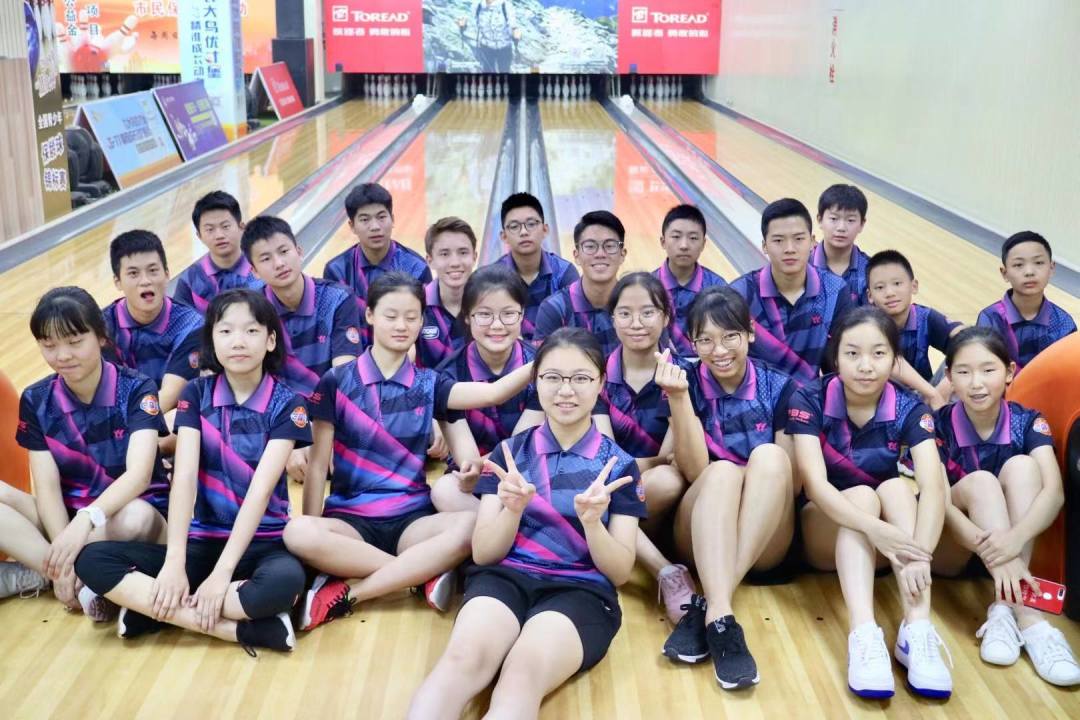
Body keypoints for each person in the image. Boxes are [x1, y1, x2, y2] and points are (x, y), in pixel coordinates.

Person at [407, 328, 646, 720]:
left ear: (601, 383)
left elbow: (619, 572)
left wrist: (593, 525)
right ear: (535, 381)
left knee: (521, 675)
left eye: (580, 378)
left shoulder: (619, 467)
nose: (565, 390)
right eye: (552, 377)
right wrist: (512, 510)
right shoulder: (508, 454)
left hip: (580, 592)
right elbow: (485, 553)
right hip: (505, 579)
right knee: (461, 660)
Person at [282, 273, 537, 630]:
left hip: (413, 521)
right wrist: (315, 539)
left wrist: (545, 359)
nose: (401, 325)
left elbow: (493, 394)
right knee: (298, 532)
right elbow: (317, 465)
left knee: (470, 526)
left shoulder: (430, 383)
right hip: (351, 521)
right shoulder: (336, 382)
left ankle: (356, 588)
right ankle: (418, 573)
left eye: (411, 317)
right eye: (391, 316)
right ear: (369, 315)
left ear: (421, 321)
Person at [74, 289, 310, 654]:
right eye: (225, 331)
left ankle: (153, 610)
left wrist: (221, 574)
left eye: (251, 331)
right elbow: (183, 479)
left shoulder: (288, 403)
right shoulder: (196, 395)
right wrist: (174, 562)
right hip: (201, 541)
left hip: (263, 541)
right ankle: (240, 630)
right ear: (211, 341)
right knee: (92, 560)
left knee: (285, 583)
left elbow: (261, 491)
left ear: (270, 340)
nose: (238, 341)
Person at [788, 306, 951, 699]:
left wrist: (921, 554)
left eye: (878, 354)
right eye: (853, 353)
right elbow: (816, 486)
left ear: (895, 360)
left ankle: (917, 629)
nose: (865, 366)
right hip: (825, 531)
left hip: (889, 548)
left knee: (897, 488)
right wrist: (875, 528)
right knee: (862, 495)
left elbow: (933, 486)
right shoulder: (809, 398)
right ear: (836, 357)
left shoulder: (910, 406)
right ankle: (863, 633)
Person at [656, 287, 797, 689]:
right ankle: (722, 617)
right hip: (702, 530)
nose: (718, 350)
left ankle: (712, 606)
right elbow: (693, 470)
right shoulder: (684, 383)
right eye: (705, 340)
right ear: (692, 343)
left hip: (764, 535)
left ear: (750, 332)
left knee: (770, 457)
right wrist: (678, 399)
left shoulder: (780, 387)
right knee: (721, 473)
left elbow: (792, 483)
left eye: (729, 336)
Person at [0, 287, 168, 618]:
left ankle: (53, 570)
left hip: (133, 515)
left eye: (75, 342)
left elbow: (139, 476)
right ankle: (65, 575)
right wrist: (66, 537)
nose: (62, 355)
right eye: (49, 345)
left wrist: (85, 520)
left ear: (101, 336)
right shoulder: (36, 399)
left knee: (135, 516)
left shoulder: (137, 389)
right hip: (69, 521)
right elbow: (47, 487)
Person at [932, 326, 1080, 686]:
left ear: (1010, 371)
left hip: (1011, 552)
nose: (976, 383)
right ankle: (1030, 616)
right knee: (982, 482)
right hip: (955, 546)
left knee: (1024, 466)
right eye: (964, 372)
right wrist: (998, 550)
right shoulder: (935, 425)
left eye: (988, 370)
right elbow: (937, 503)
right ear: (949, 376)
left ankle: (1004, 609)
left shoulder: (1028, 421)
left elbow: (1054, 494)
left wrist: (1012, 541)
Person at [596, 272, 695, 626]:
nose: (636, 323)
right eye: (625, 313)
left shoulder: (681, 376)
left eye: (648, 312)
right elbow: (601, 456)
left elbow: (670, 458)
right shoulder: (597, 373)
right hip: (603, 489)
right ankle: (665, 571)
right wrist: (645, 463)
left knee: (667, 479)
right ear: (612, 319)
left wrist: (626, 467)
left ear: (666, 317)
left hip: (654, 503)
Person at [242, 216, 362, 482]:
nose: (279, 263)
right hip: (280, 420)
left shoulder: (337, 298)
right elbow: (253, 387)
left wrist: (322, 433)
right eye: (266, 258)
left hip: (331, 415)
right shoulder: (250, 311)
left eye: (284, 251)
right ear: (254, 271)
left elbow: (344, 377)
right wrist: (291, 435)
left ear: (299, 251)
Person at [429, 265, 536, 513]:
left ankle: (499, 528)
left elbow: (523, 446)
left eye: (508, 314)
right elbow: (468, 461)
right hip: (479, 479)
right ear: (467, 316)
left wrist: (481, 465)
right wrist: (472, 471)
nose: (497, 325)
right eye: (484, 314)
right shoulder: (448, 376)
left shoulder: (540, 366)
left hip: (530, 469)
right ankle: (511, 529)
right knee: (444, 490)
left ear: (522, 315)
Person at [730, 198, 855, 384]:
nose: (789, 249)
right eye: (778, 240)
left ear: (812, 242)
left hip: (810, 398)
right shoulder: (739, 294)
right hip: (756, 397)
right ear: (764, 246)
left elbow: (840, 362)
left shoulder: (835, 290)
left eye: (798, 239)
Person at [103, 230, 203, 416]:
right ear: (118, 282)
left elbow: (169, 397)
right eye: (133, 273)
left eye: (153, 271)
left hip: (164, 419)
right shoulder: (102, 328)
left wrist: (136, 429)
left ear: (167, 274)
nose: (145, 281)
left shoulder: (190, 325)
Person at [323, 182, 432, 345]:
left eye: (381, 217)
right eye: (364, 219)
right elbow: (335, 330)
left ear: (392, 219)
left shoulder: (416, 268)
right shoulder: (336, 271)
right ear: (352, 226)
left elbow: (423, 326)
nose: (375, 227)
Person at [866, 249, 962, 398]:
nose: (890, 293)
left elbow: (967, 337)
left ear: (914, 286)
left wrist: (945, 386)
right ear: (870, 296)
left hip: (926, 396)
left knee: (968, 352)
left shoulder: (924, 317)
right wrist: (932, 394)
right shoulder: (866, 326)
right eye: (880, 287)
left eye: (897, 283)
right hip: (882, 398)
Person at [976, 231, 1076, 374]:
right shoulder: (991, 318)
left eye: (1038, 263)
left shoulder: (1063, 323)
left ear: (1051, 268)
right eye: (1018, 265)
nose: (1029, 272)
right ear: (1004, 273)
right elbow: (985, 369)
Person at [534, 210, 626, 356]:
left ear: (622, 254)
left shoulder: (637, 304)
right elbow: (542, 366)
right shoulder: (554, 308)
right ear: (576, 255)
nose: (600, 254)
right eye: (590, 246)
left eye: (609, 246)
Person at [494, 192, 578, 341]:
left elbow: (575, 330)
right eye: (514, 226)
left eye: (531, 224)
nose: (524, 232)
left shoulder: (564, 273)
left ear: (545, 230)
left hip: (556, 351)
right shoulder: (493, 277)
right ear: (504, 236)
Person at [653, 204, 726, 356]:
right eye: (676, 237)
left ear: (703, 244)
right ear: (663, 242)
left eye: (693, 238)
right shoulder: (647, 287)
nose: (684, 245)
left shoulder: (718, 288)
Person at [173, 191, 263, 313]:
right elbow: (180, 319)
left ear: (241, 227)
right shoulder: (190, 278)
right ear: (199, 236)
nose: (219, 235)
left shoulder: (263, 267)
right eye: (210, 229)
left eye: (225, 226)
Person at [417, 217, 477, 370]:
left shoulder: (489, 301)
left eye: (463, 252)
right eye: (444, 254)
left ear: (474, 257)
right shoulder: (416, 303)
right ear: (430, 260)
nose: (455, 263)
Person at [811, 184, 871, 305]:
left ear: (862, 224)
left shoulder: (870, 270)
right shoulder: (802, 265)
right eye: (833, 219)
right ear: (820, 220)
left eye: (850, 220)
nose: (841, 228)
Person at [457, 1, 521, 73]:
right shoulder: (477, 6)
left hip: (504, 48)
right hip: (486, 49)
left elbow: (513, 25)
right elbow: (472, 26)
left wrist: (515, 32)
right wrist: (463, 25)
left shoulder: (505, 5)